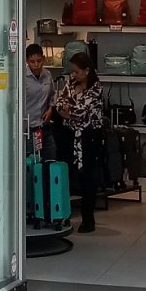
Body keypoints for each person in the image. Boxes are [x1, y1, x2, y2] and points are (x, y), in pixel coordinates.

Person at [52, 51, 105, 233]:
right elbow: (59, 103)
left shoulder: (96, 88)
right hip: (69, 134)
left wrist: (68, 110)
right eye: (72, 71)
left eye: (76, 71)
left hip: (88, 137)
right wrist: (66, 109)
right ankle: (64, 215)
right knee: (65, 173)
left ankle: (88, 219)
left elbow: (80, 111)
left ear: (87, 70)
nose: (73, 75)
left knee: (87, 177)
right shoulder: (70, 83)